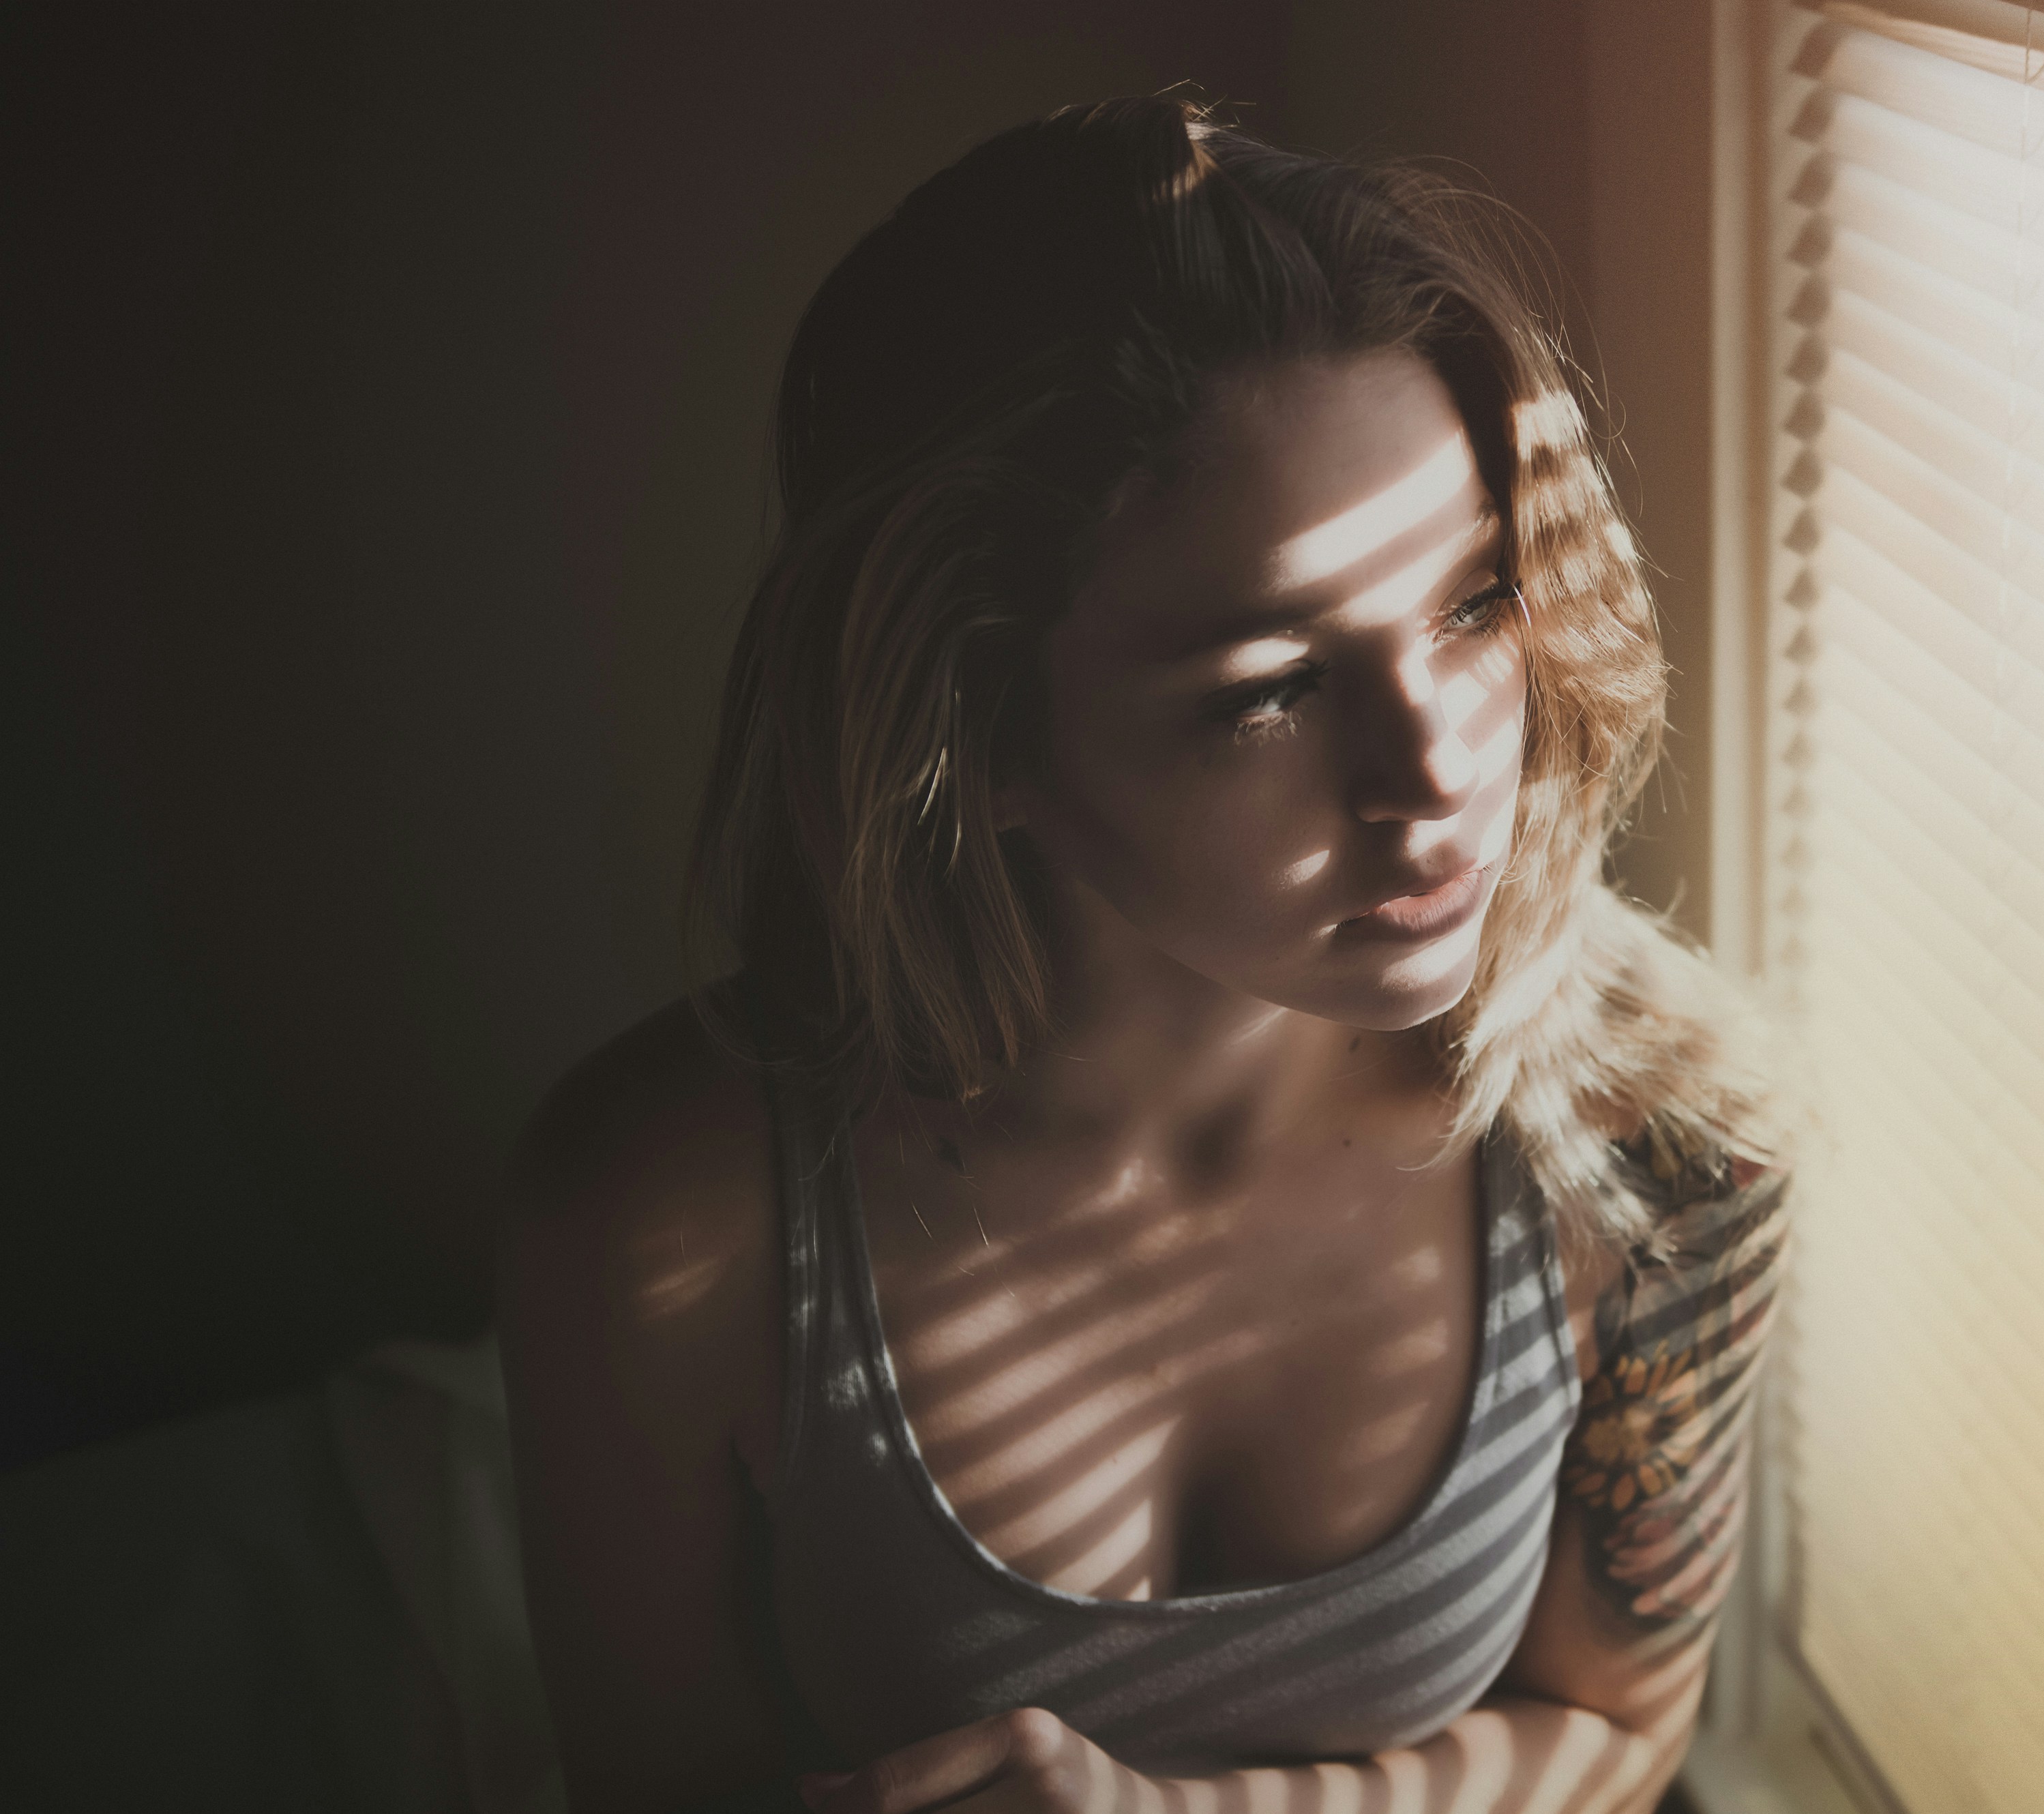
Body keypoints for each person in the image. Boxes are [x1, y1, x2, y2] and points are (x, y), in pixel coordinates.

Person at [497, 95, 1794, 1814]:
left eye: (1474, 603)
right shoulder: (671, 1227)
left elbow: (1624, 1730)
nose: (1440, 775)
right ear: (978, 734)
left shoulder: (1663, 1132)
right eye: (1269, 689)